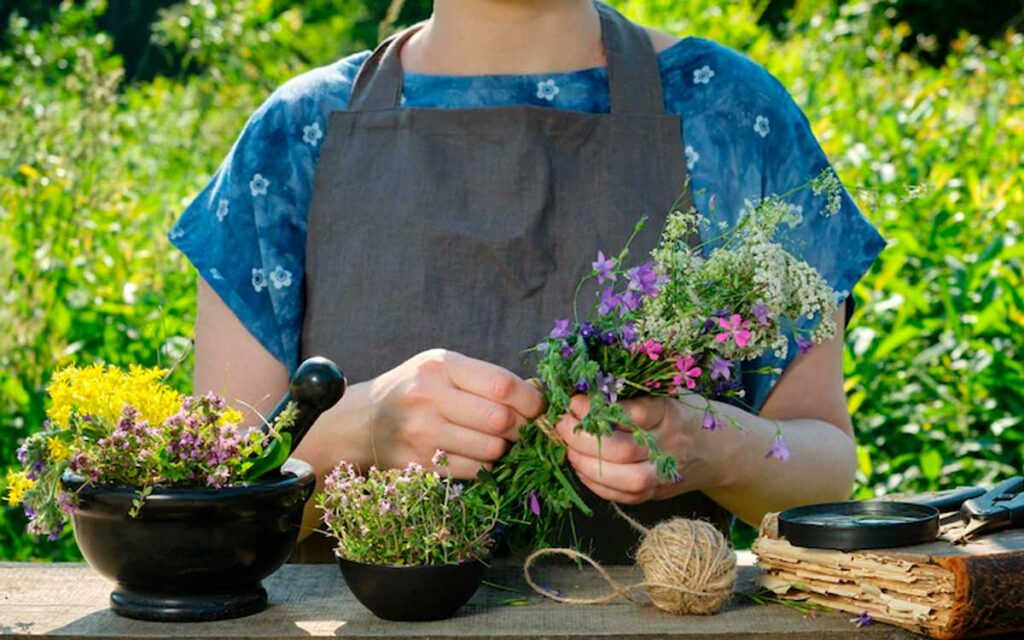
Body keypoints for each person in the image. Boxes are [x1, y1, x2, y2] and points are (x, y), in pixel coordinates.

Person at [168, 0, 886, 562]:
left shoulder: (731, 117)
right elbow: (201, 514)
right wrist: (355, 431)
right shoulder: (294, 137)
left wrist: (710, 442)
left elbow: (825, 468)